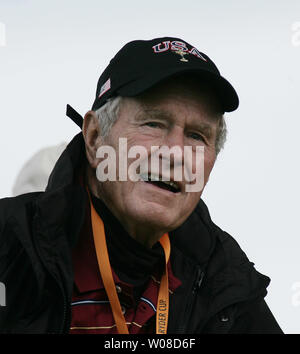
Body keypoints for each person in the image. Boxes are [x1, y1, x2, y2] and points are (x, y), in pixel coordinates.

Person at [0, 37, 283, 334]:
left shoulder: (223, 278)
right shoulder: (10, 248)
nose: (175, 152)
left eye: (197, 136)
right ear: (95, 138)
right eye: (153, 124)